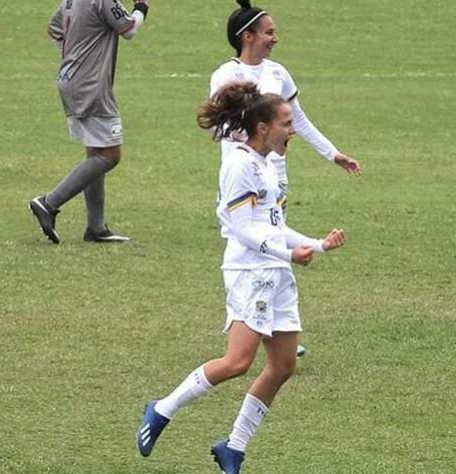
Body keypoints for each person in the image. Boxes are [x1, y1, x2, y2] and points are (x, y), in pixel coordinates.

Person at [136, 83, 347, 473]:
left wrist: (317, 245)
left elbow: (274, 225)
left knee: (283, 365)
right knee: (237, 362)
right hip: (249, 273)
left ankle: (234, 447)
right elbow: (242, 229)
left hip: (276, 273)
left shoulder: (266, 165)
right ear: (263, 127)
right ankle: (162, 409)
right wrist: (288, 254)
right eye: (286, 123)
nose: (293, 130)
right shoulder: (239, 165)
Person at [211, 0, 360, 357]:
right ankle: (253, 321)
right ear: (247, 37)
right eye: (269, 32)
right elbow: (220, 127)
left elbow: (301, 120)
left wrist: (332, 153)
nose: (276, 39)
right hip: (242, 175)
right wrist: (256, 145)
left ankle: (275, 325)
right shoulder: (224, 75)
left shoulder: (279, 73)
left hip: (274, 174)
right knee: (249, 241)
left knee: (274, 235)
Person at [29, 0, 151, 244]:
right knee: (110, 154)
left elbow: (54, 29)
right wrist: (141, 8)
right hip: (90, 85)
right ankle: (48, 203)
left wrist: (76, 51)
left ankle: (95, 227)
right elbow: (129, 29)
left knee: (96, 150)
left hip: (71, 78)